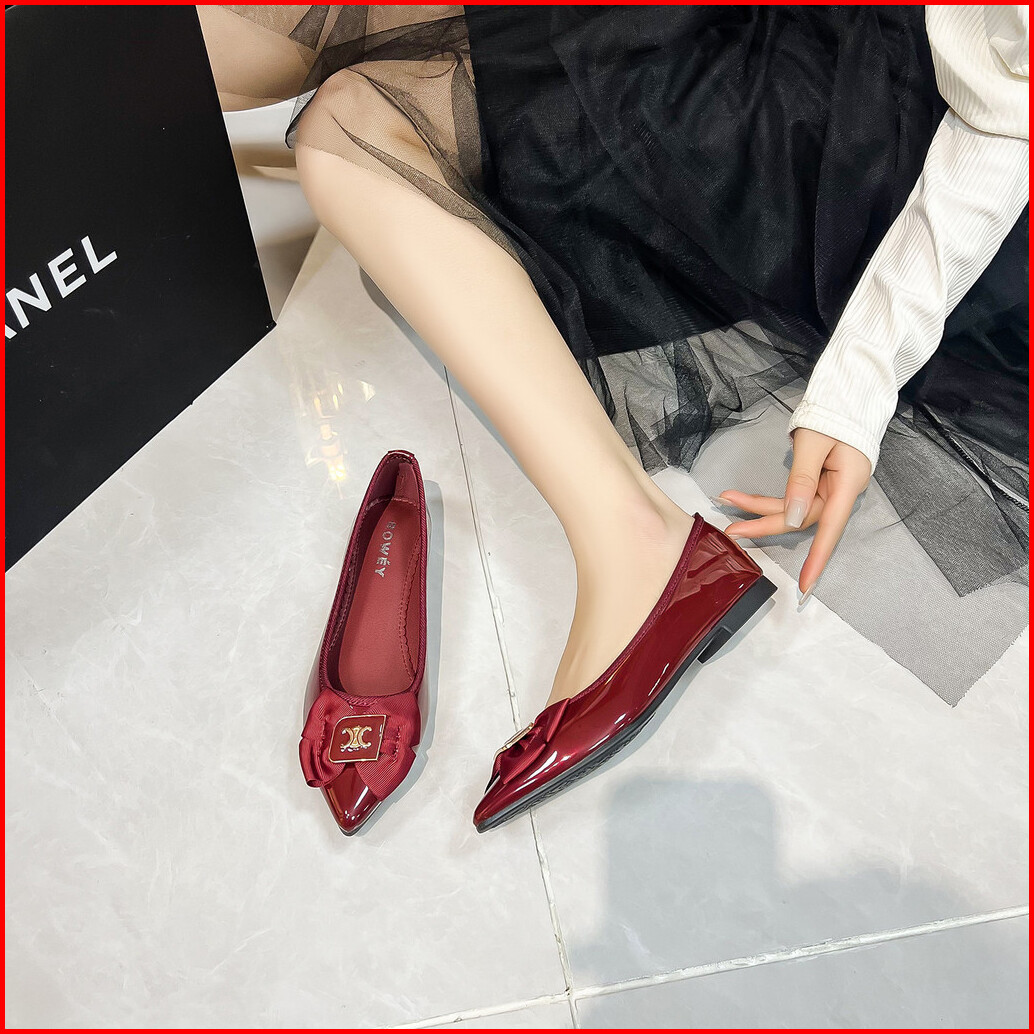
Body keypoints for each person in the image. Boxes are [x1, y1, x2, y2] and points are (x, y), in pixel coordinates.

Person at [198, 5, 1029, 709]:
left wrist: (860, 380)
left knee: (348, 113)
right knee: (331, 96)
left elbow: (1002, 126)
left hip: (848, 101)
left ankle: (633, 543)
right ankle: (634, 537)